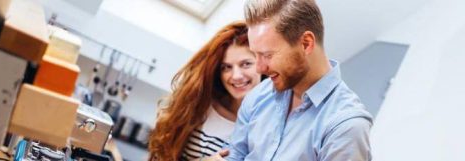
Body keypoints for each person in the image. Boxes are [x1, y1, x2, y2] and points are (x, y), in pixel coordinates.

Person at [226, 0, 374, 160]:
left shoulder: (346, 127)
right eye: (256, 55)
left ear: (306, 44)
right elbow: (234, 155)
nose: (259, 69)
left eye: (267, 55)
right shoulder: (258, 96)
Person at [148, 21, 262, 161]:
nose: (236, 76)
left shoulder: (268, 124)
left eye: (246, 64)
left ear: (262, 63)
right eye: (226, 67)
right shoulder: (200, 105)